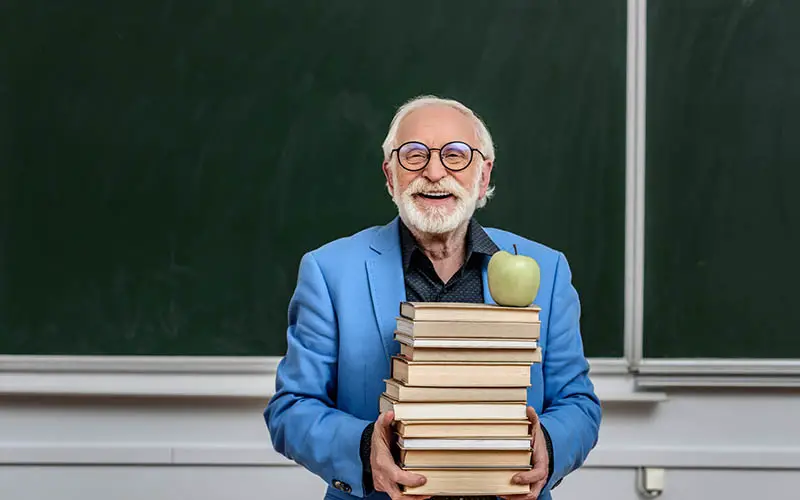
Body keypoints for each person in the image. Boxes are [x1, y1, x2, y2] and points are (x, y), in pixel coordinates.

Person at [264, 95, 601, 500]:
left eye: (456, 155)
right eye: (414, 155)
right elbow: (291, 409)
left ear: (482, 175)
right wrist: (363, 447)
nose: (435, 171)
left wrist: (548, 443)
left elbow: (578, 403)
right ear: (390, 176)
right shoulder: (329, 271)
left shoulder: (547, 270)